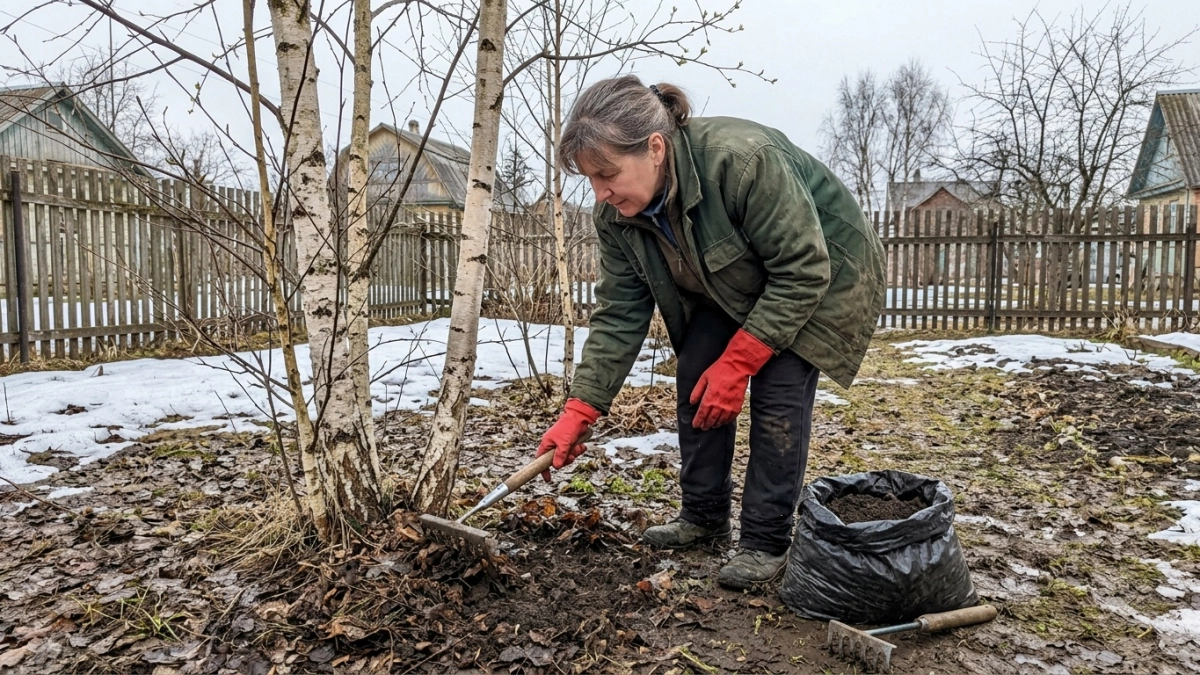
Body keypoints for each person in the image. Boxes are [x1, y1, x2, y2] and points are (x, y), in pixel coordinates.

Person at [535, 74, 885, 589]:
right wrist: (580, 409)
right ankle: (702, 517)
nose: (600, 192)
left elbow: (803, 269)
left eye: (607, 173)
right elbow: (618, 314)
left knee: (778, 394)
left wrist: (741, 362)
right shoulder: (616, 217)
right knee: (698, 375)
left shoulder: (742, 160)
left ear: (655, 148)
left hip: (819, 273)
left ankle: (766, 540)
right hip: (730, 282)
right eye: (590, 178)